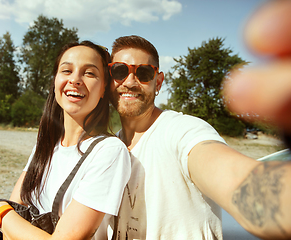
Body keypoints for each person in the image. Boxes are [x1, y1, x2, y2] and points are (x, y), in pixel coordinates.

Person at [108, 1, 291, 238]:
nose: (130, 81)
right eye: (120, 71)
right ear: (109, 78)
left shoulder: (183, 131)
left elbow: (239, 182)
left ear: (159, 82)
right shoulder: (109, 148)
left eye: (143, 73)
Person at [0, 41, 131, 240]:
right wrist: (8, 216)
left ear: (104, 88)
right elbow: (17, 209)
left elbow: (12, 218)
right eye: (67, 70)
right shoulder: (45, 146)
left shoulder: (109, 152)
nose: (75, 79)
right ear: (55, 81)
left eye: (89, 73)